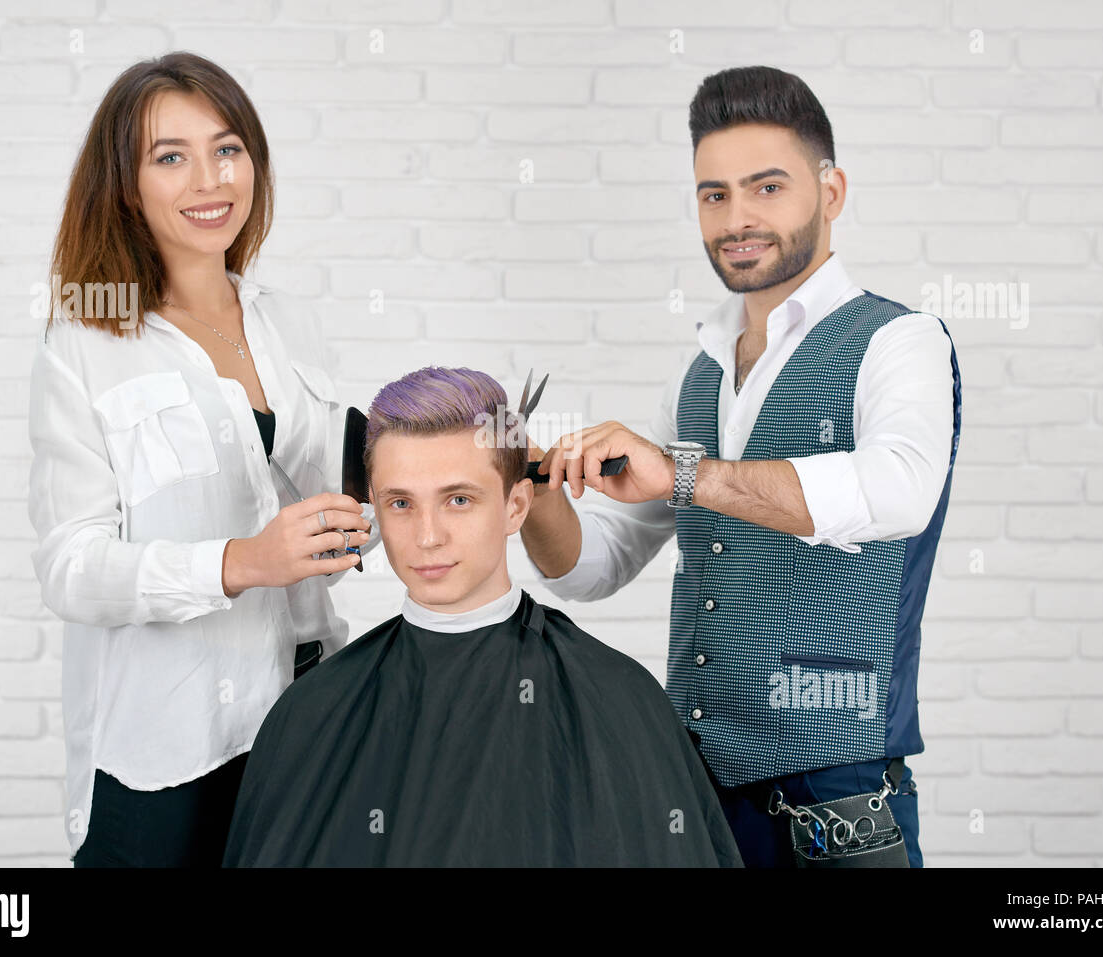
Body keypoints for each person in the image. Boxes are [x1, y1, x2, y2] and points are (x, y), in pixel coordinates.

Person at [520, 66, 962, 868]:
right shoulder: (696, 374)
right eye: (714, 194)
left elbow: (899, 491)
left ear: (831, 191)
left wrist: (685, 475)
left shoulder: (901, 341)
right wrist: (536, 497)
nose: (737, 218)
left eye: (766, 187)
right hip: (692, 788)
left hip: (841, 792)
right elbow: (592, 567)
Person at [26, 52, 378, 867]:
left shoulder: (288, 320)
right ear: (124, 183)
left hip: (302, 730)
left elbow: (335, 497)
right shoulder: (84, 342)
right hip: (164, 754)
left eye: (227, 148)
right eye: (170, 156)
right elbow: (70, 567)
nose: (209, 179)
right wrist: (239, 562)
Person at [222, 367, 744, 867]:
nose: (428, 536)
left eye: (458, 500)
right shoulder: (313, 710)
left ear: (516, 506)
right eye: (401, 503)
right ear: (374, 509)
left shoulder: (618, 698)